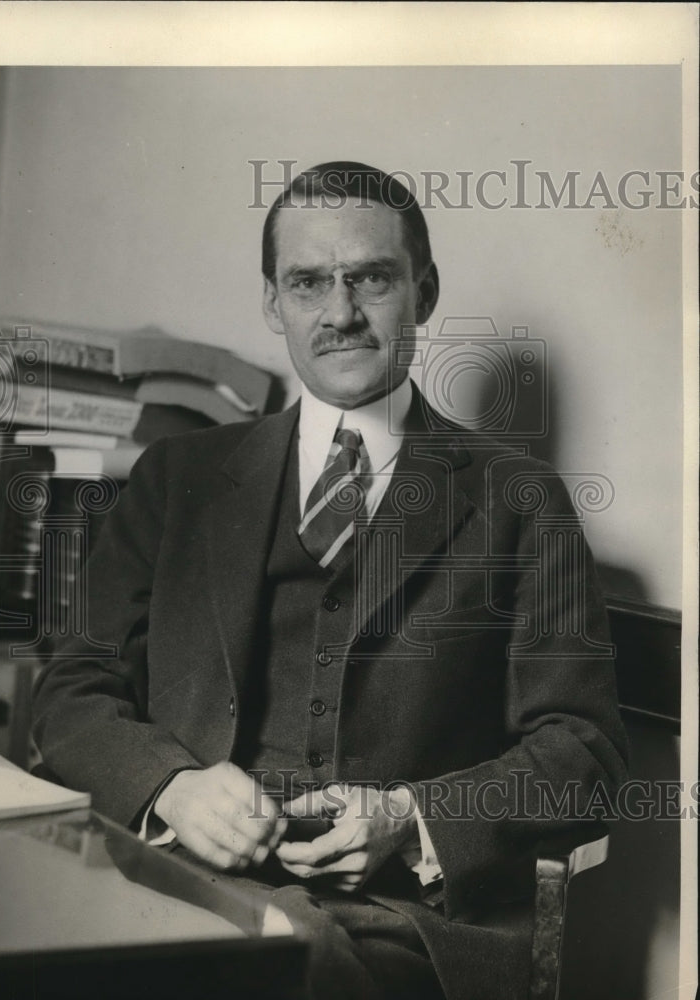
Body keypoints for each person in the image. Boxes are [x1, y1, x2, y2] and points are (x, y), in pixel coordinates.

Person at [33, 162, 628, 1000]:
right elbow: (70, 687)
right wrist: (170, 787)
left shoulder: (520, 500)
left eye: (371, 280)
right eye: (308, 283)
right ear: (273, 304)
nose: (340, 313)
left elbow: (584, 753)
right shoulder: (176, 479)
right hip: (177, 886)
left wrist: (408, 818)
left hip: (401, 919)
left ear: (422, 291)